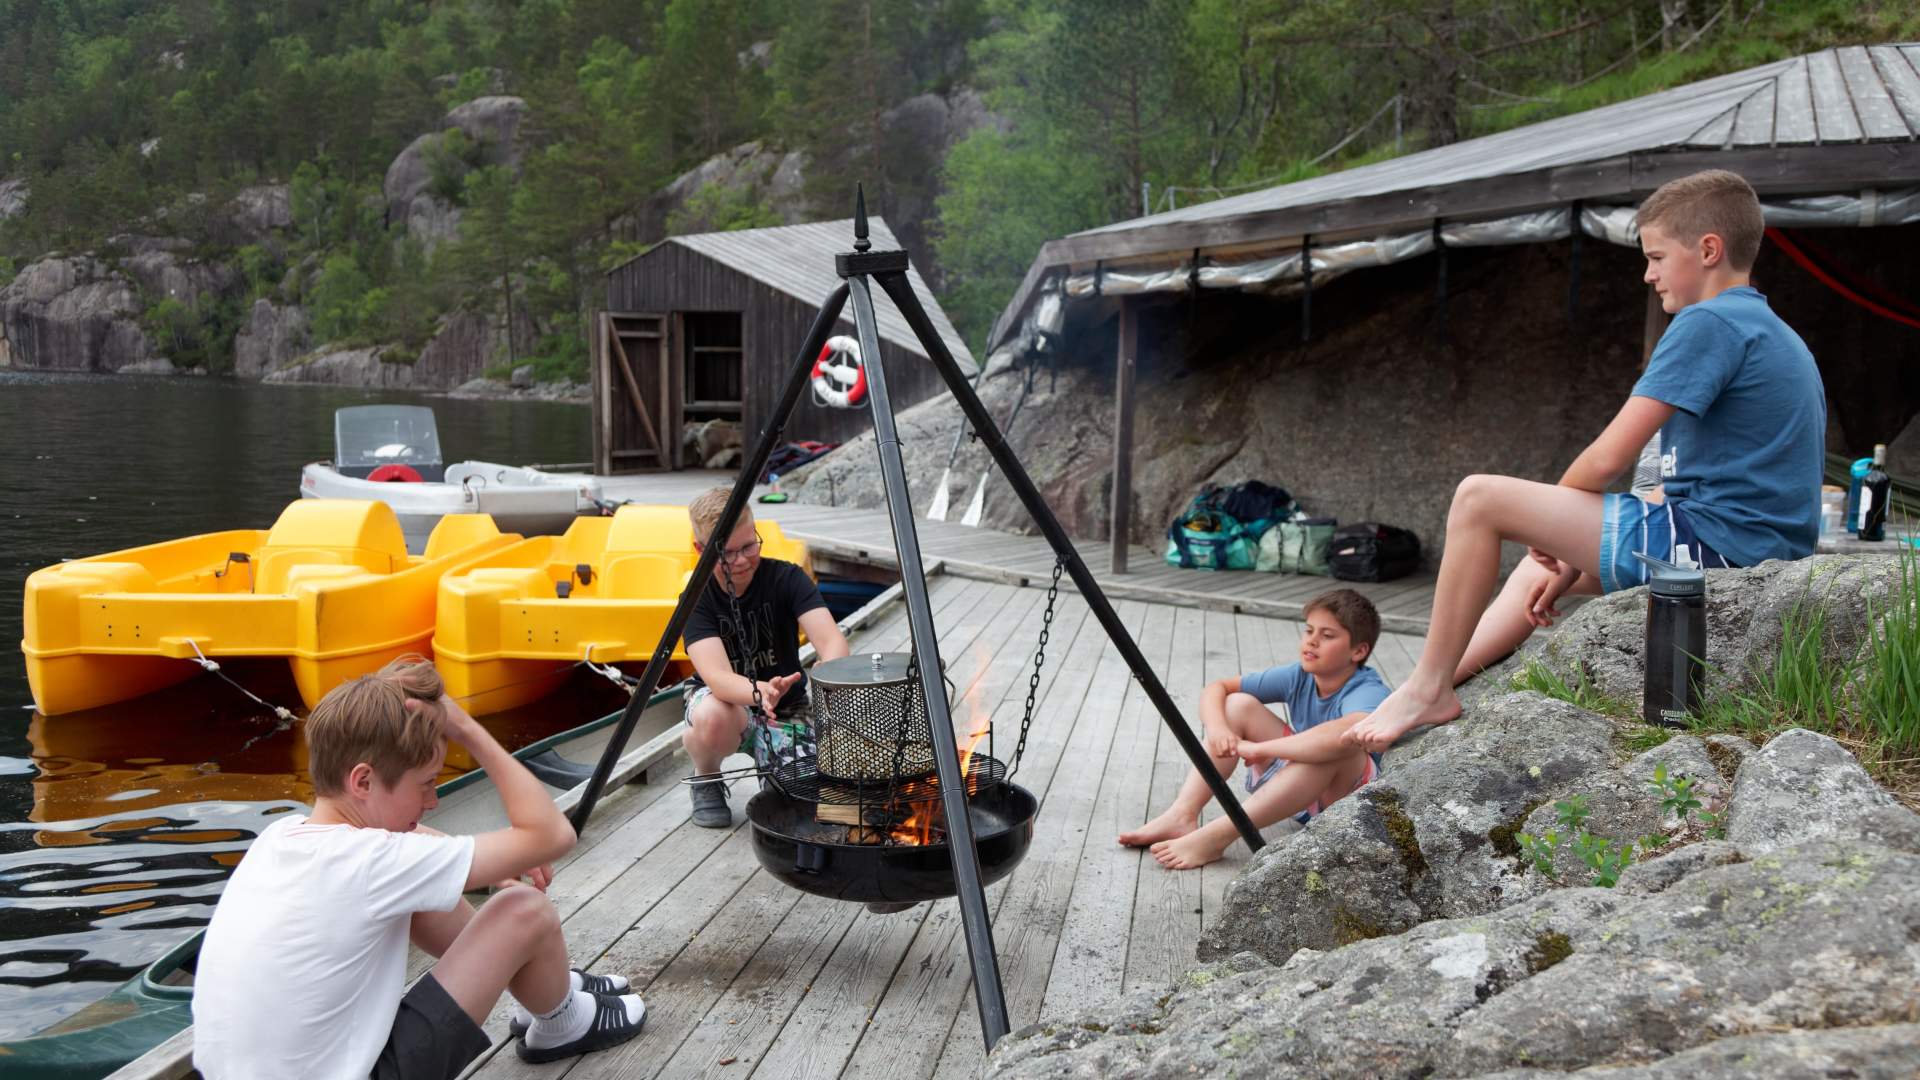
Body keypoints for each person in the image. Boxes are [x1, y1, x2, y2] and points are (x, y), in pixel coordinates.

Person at [1349, 168, 1825, 751]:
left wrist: (1550, 534)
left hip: (1714, 555)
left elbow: (1606, 460)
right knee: (1537, 575)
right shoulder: (1768, 327)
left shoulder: (1710, 321)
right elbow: (1675, 488)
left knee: (1480, 499)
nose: (1647, 274)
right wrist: (1566, 560)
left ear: (1708, 249)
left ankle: (1427, 687)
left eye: (1655, 256)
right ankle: (1437, 679)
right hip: (1744, 551)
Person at [191, 658, 647, 1079]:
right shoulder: (371, 864)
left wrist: (484, 869)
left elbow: (400, 847)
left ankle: (543, 985)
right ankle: (562, 1020)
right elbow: (553, 836)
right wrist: (466, 728)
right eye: (426, 784)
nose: (432, 801)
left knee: (428, 895)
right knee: (523, 910)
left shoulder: (284, 837)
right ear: (364, 780)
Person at [1119, 589, 1389, 870]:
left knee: (1341, 746)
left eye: (1327, 635)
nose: (1312, 640)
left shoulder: (1367, 689)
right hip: (1305, 794)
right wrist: (1218, 729)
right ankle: (1182, 814)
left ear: (1359, 651)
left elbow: (1349, 734)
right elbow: (1217, 688)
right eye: (1309, 630)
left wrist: (1260, 749)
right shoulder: (1299, 675)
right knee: (1237, 705)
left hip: (1348, 806)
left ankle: (1218, 835)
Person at [681, 486, 849, 828]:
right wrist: (761, 691)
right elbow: (718, 678)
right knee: (713, 718)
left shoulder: (786, 577)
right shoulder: (697, 598)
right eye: (727, 553)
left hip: (788, 709)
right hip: (726, 705)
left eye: (748, 546)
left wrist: (828, 668)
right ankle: (706, 775)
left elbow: (831, 641)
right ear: (701, 551)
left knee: (809, 806)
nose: (741, 560)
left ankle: (776, 764)